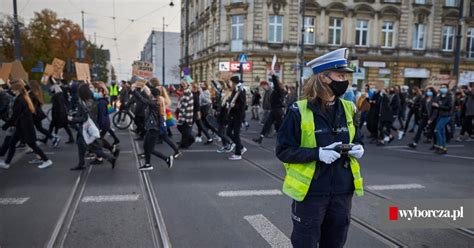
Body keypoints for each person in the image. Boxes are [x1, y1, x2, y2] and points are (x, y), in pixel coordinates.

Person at [276, 48, 364, 247]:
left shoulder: (349, 108)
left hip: (342, 191)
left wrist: (358, 148)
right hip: (311, 193)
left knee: (335, 243)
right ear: (324, 77)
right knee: (305, 242)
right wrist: (318, 154)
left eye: (345, 76)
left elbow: (358, 138)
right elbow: (283, 150)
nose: (345, 80)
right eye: (340, 75)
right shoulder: (298, 110)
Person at [0, 82, 53, 169]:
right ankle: (7, 163)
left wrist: (5, 125)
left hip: (24, 127)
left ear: (17, 90)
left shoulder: (20, 100)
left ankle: (47, 160)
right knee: (13, 143)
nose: (12, 91)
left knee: (32, 144)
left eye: (13, 90)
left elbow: (15, 115)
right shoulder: (23, 98)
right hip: (23, 126)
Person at [69, 83, 118, 170]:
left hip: (85, 128)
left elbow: (83, 118)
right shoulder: (93, 100)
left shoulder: (82, 103)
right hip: (92, 126)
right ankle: (81, 163)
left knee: (92, 147)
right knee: (82, 145)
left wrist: (72, 119)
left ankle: (110, 158)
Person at [132, 83, 174, 170]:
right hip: (151, 128)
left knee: (150, 149)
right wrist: (143, 87)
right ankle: (148, 164)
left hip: (154, 129)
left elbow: (143, 100)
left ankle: (166, 159)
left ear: (152, 94)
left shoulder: (155, 103)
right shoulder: (155, 101)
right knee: (145, 146)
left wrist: (134, 91)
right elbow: (146, 97)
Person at [253, 73, 286, 144]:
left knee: (280, 126)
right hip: (274, 110)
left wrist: (273, 75)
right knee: (267, 124)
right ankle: (260, 138)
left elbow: (276, 84)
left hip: (278, 111)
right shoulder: (276, 91)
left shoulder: (279, 91)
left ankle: (284, 141)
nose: (273, 86)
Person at [226, 76, 247, 160]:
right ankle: (241, 147)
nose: (230, 84)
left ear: (234, 82)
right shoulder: (236, 89)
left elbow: (242, 104)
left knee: (236, 134)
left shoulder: (240, 90)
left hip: (238, 115)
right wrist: (229, 102)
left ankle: (238, 154)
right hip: (233, 114)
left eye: (231, 82)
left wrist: (234, 105)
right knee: (228, 132)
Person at [432, 83, 453, 154]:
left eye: (444, 87)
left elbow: (449, 107)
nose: (442, 89)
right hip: (439, 115)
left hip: (446, 116)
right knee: (442, 132)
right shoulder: (440, 96)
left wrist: (439, 106)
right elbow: (435, 103)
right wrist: (435, 104)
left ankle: (440, 146)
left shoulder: (449, 97)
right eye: (441, 87)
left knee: (436, 130)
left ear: (447, 88)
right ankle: (444, 148)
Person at [176, 80, 195, 149]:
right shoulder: (185, 92)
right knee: (183, 128)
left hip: (186, 114)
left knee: (182, 128)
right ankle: (185, 142)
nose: (179, 87)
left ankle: (188, 141)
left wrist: (180, 111)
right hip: (186, 113)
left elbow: (184, 104)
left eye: (180, 85)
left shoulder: (187, 92)